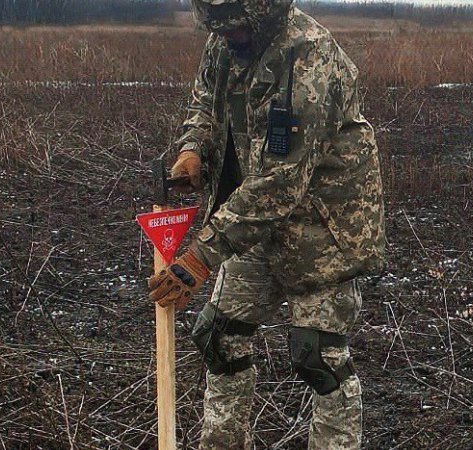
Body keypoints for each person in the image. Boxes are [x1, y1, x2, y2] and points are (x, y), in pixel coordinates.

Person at [147, 0, 386, 448]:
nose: (227, 37)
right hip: (251, 226)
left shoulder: (310, 57)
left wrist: (199, 260)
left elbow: (280, 181)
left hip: (323, 230)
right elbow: (205, 102)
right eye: (219, 28)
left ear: (262, 14)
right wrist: (193, 148)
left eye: (236, 28)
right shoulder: (225, 42)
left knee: (320, 357)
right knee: (219, 339)